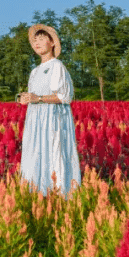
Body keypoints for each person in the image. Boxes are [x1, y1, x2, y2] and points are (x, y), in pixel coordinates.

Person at [17, 24, 81, 196]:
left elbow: (64, 97)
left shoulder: (57, 66)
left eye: (41, 39)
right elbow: (34, 95)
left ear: (52, 43)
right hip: (35, 121)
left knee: (54, 154)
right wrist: (26, 98)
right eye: (34, 40)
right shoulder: (34, 71)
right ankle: (37, 193)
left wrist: (38, 98)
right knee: (36, 155)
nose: (36, 43)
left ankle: (58, 194)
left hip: (53, 120)